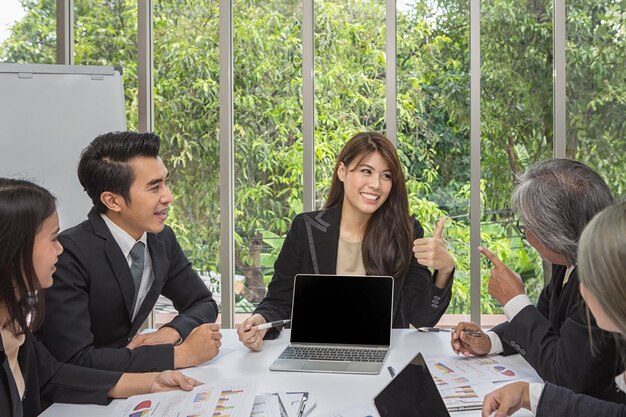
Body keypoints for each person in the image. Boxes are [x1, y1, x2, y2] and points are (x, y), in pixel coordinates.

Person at [0, 178, 203, 417]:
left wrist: (152, 382)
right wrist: (176, 356)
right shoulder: (77, 252)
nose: (60, 249)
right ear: (14, 249)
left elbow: (54, 376)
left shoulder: (16, 325)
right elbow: (74, 361)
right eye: (53, 239)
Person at [238, 131, 455, 350]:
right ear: (342, 171)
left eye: (386, 176)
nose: (376, 185)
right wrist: (260, 321)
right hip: (315, 352)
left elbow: (421, 317)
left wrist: (445, 270)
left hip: (383, 354)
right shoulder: (306, 228)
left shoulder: (406, 232)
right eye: (366, 171)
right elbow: (278, 301)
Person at [35, 131, 222, 372]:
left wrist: (171, 331)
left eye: (166, 182)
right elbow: (74, 359)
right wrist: (179, 356)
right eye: (154, 188)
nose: (169, 197)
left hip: (125, 384)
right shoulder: (69, 254)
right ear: (112, 201)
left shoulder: (161, 239)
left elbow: (202, 301)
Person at [451, 159, 624, 402]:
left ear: (554, 233)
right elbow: (544, 322)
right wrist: (491, 341)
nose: (526, 235)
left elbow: (564, 374)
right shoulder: (566, 263)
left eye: (527, 227)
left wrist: (514, 300)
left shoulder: (603, 280)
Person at [481, 201, 626, 417]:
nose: (582, 284)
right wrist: (529, 395)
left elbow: (565, 374)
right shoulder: (563, 267)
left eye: (591, 272)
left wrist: (515, 300)